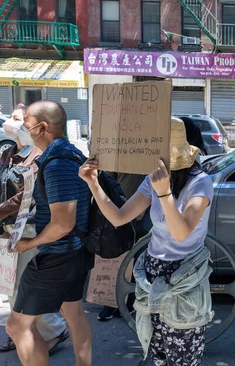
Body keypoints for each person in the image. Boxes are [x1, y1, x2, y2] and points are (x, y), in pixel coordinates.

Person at [78, 117, 214, 366]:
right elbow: (119, 217)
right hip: (152, 270)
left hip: (185, 273)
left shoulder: (200, 183)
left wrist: (164, 193)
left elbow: (181, 233)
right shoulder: (153, 180)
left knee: (184, 355)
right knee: (157, 351)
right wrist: (93, 184)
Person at [6, 101, 93, 366]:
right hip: (75, 251)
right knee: (74, 312)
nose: (23, 129)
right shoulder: (72, 153)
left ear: (42, 127)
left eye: (27, 125)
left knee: (17, 326)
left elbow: (63, 222)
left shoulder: (57, 164)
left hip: (58, 256)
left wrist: (30, 242)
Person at [0, 106, 69, 355]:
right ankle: (23, 332)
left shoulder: (39, 156)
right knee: (10, 285)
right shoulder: (7, 151)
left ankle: (47, 331)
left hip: (28, 230)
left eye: (21, 120)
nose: (13, 122)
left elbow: (24, 198)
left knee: (25, 288)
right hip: (6, 231)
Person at [97, 172, 151, 322]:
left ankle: (129, 301)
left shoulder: (152, 155)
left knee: (137, 258)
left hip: (141, 211)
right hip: (117, 208)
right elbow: (107, 178)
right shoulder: (116, 152)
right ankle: (110, 301)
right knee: (115, 256)